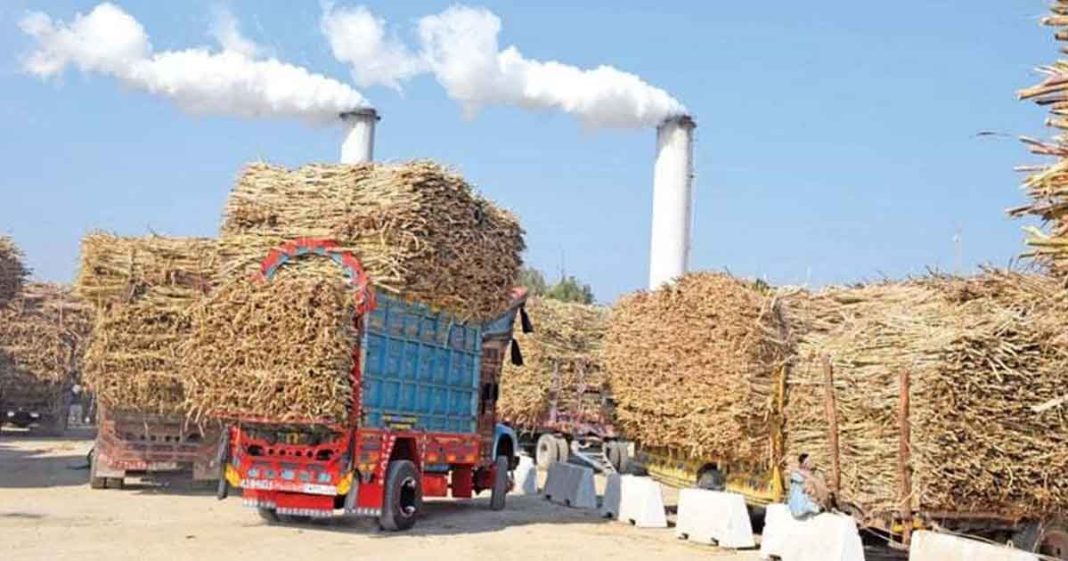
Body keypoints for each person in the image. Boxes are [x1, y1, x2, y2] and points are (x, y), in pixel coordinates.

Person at [788, 453, 828, 519]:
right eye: (808, 462)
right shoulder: (797, 474)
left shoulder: (812, 473)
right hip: (799, 498)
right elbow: (801, 481)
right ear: (804, 464)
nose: (810, 463)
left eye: (810, 461)